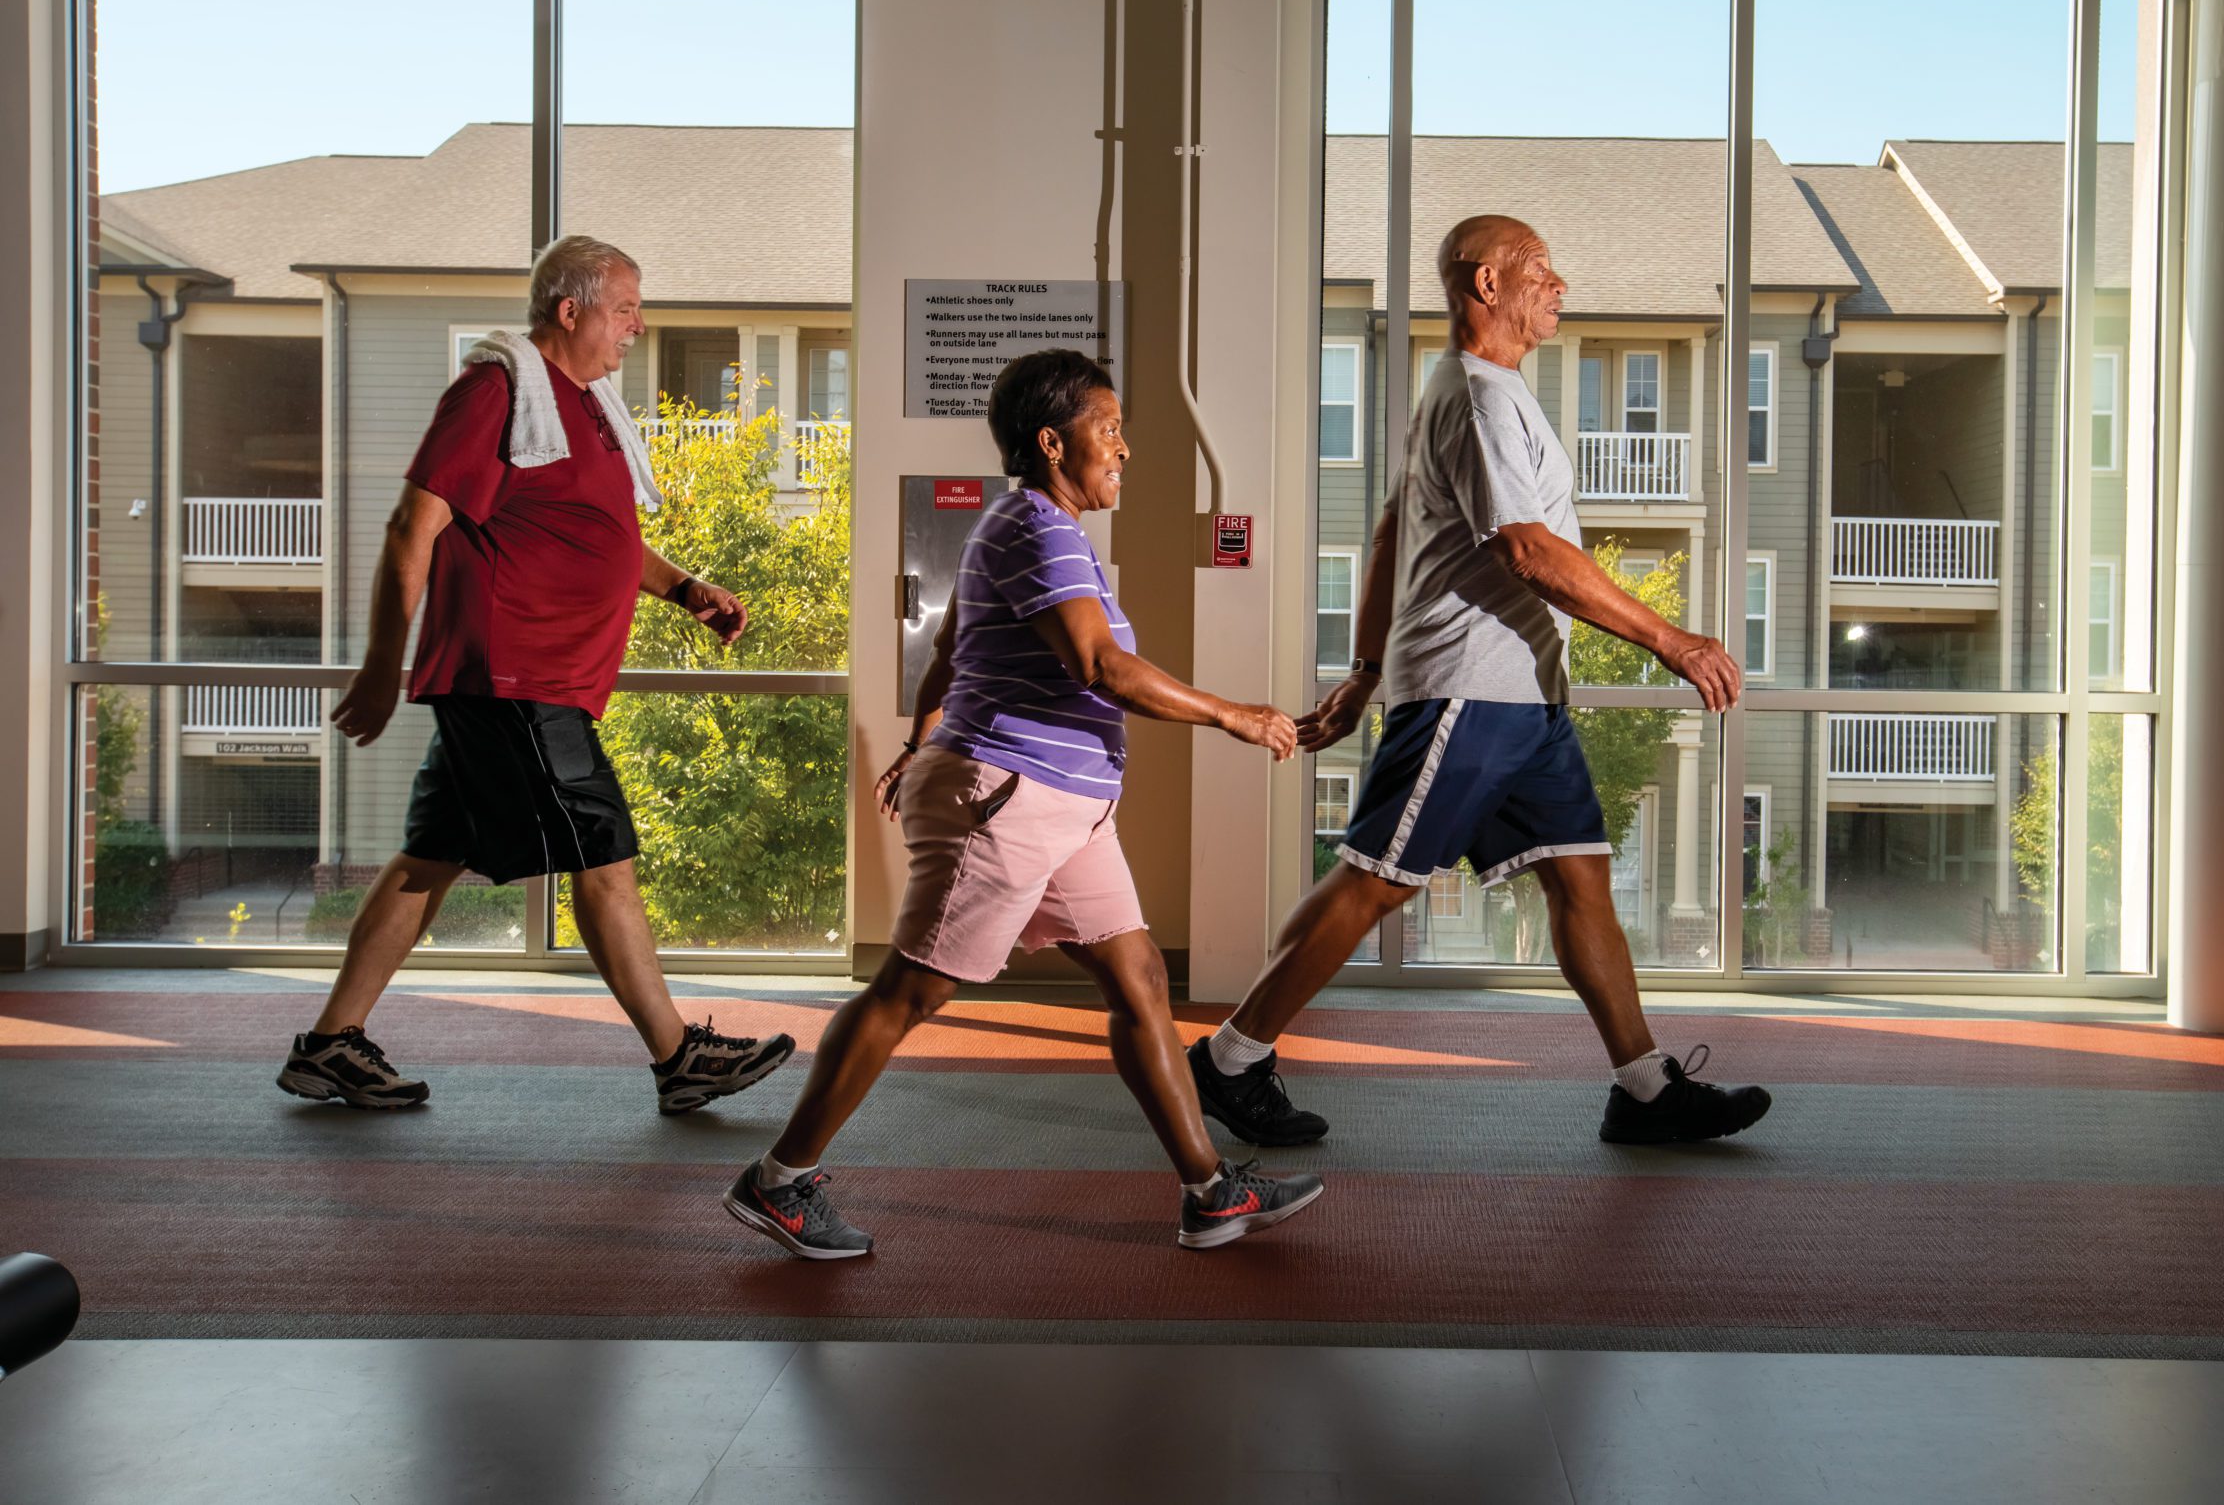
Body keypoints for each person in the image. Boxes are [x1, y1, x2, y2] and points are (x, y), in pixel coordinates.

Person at [1188, 215, 1774, 1149]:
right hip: (1471, 686)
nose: (1560, 282)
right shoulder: (1478, 397)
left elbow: (1389, 529)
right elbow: (1530, 551)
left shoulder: (1478, 394)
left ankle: (1645, 1086)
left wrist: (1369, 667)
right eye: (1539, 268)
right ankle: (1229, 1059)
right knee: (1378, 879)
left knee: (1582, 879)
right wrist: (1669, 637)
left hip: (1523, 697)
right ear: (1485, 284)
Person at [724, 348, 1323, 1258]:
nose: (1125, 449)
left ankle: (1208, 1192)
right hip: (1005, 798)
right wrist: (1235, 714)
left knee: (1141, 981)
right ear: (1053, 441)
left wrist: (921, 739)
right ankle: (780, 1180)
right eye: (1109, 429)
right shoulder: (1036, 531)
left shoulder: (1028, 528)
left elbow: (952, 647)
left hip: (1063, 806)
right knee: (910, 988)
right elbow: (1101, 666)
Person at [276, 235, 795, 1115]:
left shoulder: (577, 405)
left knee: (426, 862)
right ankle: (680, 1058)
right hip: (513, 675)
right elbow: (414, 526)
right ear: (571, 309)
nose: (638, 325)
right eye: (625, 307)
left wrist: (683, 589)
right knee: (605, 857)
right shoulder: (496, 391)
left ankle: (330, 1046)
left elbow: (590, 531)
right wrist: (378, 668)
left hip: (534, 678)